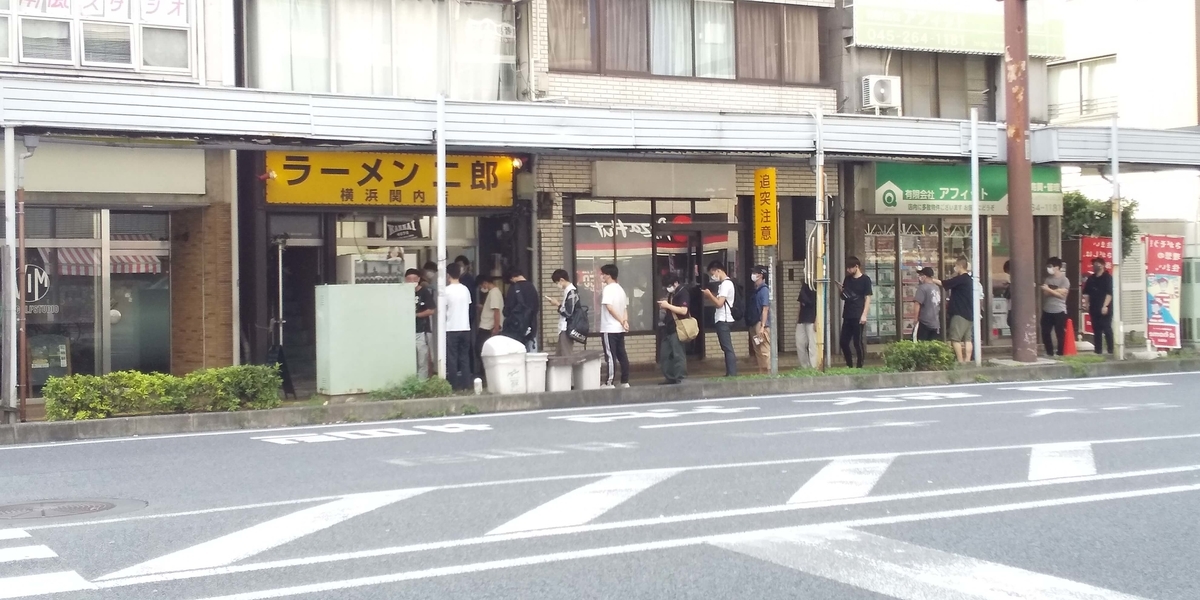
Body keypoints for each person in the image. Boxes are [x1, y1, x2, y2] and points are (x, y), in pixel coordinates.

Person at [933, 258, 975, 363]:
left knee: (955, 339)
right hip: (969, 314)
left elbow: (945, 283)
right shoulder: (969, 280)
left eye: (956, 265)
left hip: (959, 313)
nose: (955, 268)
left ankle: (960, 360)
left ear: (960, 266)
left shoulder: (961, 278)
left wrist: (931, 280)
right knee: (968, 339)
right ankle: (968, 360)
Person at [701, 261, 737, 377]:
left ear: (718, 270)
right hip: (724, 318)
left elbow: (719, 304)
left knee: (727, 347)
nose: (713, 276)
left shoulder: (725, 284)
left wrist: (709, 295)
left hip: (724, 319)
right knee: (726, 347)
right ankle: (730, 372)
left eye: (713, 273)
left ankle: (732, 373)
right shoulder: (725, 284)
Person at [835, 256, 872, 369]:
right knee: (843, 342)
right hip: (847, 314)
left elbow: (868, 298)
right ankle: (849, 364)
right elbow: (844, 297)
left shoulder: (865, 280)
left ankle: (860, 365)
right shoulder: (848, 279)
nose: (848, 270)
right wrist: (841, 290)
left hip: (858, 314)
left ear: (856, 267)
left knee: (857, 342)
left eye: (850, 268)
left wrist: (864, 315)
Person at [599, 264, 630, 389]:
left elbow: (609, 307)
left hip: (609, 327)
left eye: (602, 274)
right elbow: (624, 308)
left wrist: (621, 320)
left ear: (608, 275)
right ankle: (624, 381)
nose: (601, 276)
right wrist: (624, 321)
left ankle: (609, 382)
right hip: (619, 328)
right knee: (622, 354)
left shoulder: (608, 289)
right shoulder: (620, 289)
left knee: (610, 355)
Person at [656, 274, 690, 384]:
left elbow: (683, 310)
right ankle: (670, 377)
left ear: (676, 283)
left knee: (678, 354)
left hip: (678, 328)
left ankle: (680, 377)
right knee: (665, 355)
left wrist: (667, 306)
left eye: (669, 285)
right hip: (668, 327)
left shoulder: (683, 293)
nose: (667, 288)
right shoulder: (672, 294)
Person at [444, 262, 473, 390]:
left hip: (451, 328)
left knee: (452, 357)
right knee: (464, 357)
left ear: (448, 275)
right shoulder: (465, 289)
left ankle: (454, 384)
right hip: (465, 327)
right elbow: (468, 305)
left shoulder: (446, 291)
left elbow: (443, 310)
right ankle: (467, 384)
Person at [405, 269, 434, 380]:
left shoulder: (424, 292)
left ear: (418, 279)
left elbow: (431, 310)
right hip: (406, 330)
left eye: (414, 279)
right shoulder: (402, 292)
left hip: (422, 330)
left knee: (423, 357)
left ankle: (422, 381)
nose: (411, 281)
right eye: (408, 279)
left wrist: (416, 315)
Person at [1082, 257, 1114, 356]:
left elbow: (1109, 293)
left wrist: (1105, 306)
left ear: (1103, 265)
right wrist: (1086, 304)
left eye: (1098, 264)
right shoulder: (1091, 278)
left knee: (1107, 328)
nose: (1095, 266)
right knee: (1096, 329)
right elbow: (1086, 293)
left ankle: (1111, 350)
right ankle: (1098, 350)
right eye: (1094, 264)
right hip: (1094, 307)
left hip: (1105, 307)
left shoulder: (1108, 278)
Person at [502, 268, 539, 351]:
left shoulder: (513, 288)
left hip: (515, 329)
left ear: (512, 278)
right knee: (531, 356)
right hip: (531, 327)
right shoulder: (532, 287)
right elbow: (536, 308)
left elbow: (507, 310)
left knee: (516, 356)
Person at [1041, 257, 1071, 357]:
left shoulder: (1064, 280)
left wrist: (1050, 290)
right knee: (1045, 331)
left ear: (1057, 267)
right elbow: (1045, 293)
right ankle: (1049, 352)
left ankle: (1060, 352)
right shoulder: (1048, 279)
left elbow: (1062, 295)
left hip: (1059, 310)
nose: (1048, 269)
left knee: (1060, 333)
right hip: (1047, 309)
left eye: (1050, 266)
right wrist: (1056, 290)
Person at [547, 269, 581, 356]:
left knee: (565, 354)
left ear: (562, 280)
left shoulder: (571, 292)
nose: (557, 285)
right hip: (564, 328)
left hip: (567, 328)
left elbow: (568, 313)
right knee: (560, 354)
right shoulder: (568, 291)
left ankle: (568, 370)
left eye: (557, 282)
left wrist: (557, 304)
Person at [475, 276, 504, 372]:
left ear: (485, 283)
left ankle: (487, 372)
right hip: (487, 325)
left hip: (488, 327)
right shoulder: (493, 292)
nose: (481, 288)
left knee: (481, 350)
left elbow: (496, 311)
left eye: (481, 285)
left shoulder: (494, 293)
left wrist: (496, 327)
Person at [748, 265, 771, 374]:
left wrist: (763, 326)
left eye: (755, 273)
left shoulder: (764, 290)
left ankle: (769, 371)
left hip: (760, 324)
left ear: (760, 275)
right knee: (758, 349)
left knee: (764, 349)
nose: (753, 275)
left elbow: (765, 308)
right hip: (754, 322)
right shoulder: (756, 290)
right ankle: (762, 371)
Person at [913, 267, 942, 342]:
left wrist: (915, 319)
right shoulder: (936, 288)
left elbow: (917, 304)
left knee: (921, 345)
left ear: (924, 276)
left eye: (920, 275)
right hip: (935, 322)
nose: (919, 277)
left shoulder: (922, 288)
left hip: (924, 322)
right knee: (932, 346)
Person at [795, 281, 818, 369]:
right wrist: (797, 319)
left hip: (812, 319)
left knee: (813, 344)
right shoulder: (804, 286)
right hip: (802, 319)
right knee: (799, 343)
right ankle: (804, 366)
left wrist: (817, 320)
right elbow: (800, 304)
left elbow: (819, 305)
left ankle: (814, 366)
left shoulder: (818, 287)